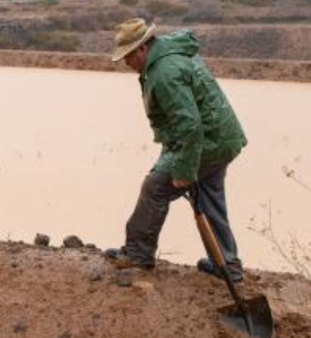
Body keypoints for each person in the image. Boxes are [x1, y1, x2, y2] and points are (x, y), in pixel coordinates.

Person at [106, 17, 248, 281]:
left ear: (142, 49)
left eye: (128, 56)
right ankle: (227, 264)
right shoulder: (173, 51)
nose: (126, 63)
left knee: (155, 188)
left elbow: (189, 125)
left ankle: (138, 254)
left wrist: (184, 169)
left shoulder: (164, 73)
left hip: (206, 141)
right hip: (222, 137)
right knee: (209, 195)